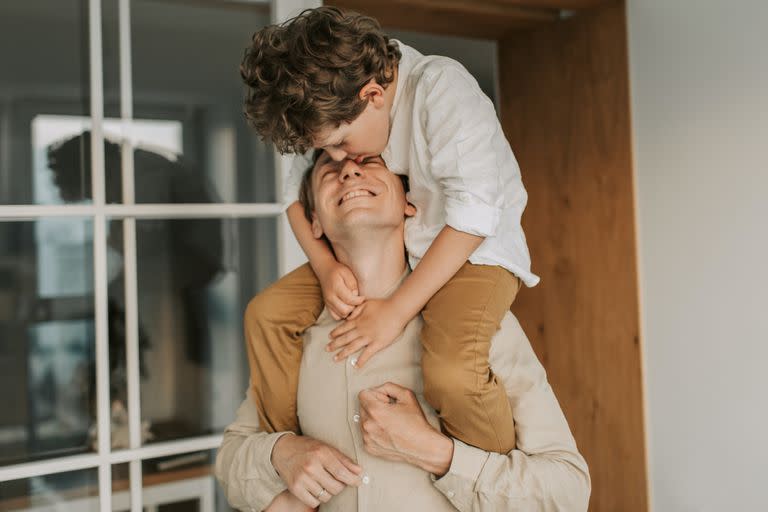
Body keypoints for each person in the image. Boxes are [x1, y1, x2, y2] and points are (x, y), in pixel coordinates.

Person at [239, 6, 539, 455]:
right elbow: (290, 200)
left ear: (374, 94)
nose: (339, 161)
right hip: (399, 248)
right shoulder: (330, 107)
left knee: (453, 372)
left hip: (473, 254)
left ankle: (482, 477)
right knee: (267, 315)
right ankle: (293, 453)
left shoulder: (442, 91)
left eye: (340, 143)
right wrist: (323, 267)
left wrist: (396, 311)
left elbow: (476, 219)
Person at [215, 153, 589, 511]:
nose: (348, 171)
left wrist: (431, 450)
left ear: (409, 204)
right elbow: (230, 462)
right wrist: (282, 454)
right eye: (329, 169)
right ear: (314, 222)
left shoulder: (474, 325)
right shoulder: (292, 339)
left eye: (371, 162)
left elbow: (568, 492)